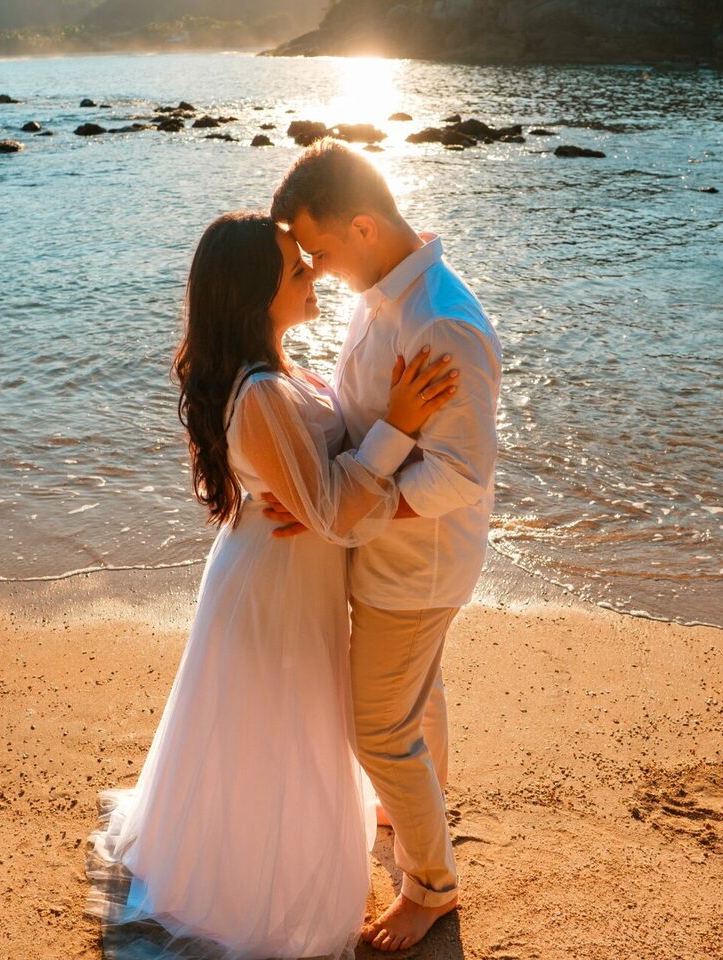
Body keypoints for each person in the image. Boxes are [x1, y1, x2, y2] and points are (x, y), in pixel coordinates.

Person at [83, 210, 460, 959]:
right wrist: (397, 425)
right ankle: (261, 879)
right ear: (256, 297)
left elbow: (322, 494)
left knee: (291, 722)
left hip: (286, 569)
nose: (313, 271)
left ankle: (396, 820)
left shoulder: (277, 370)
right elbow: (331, 509)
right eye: (295, 269)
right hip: (274, 584)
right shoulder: (258, 392)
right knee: (278, 731)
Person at [266, 139, 502, 952]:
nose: (317, 270)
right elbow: (363, 408)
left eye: (321, 251)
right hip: (396, 555)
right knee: (413, 700)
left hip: (416, 567)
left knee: (376, 730)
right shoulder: (381, 294)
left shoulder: (442, 322)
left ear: (363, 228)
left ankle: (431, 885)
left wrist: (346, 511)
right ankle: (413, 807)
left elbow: (461, 473)